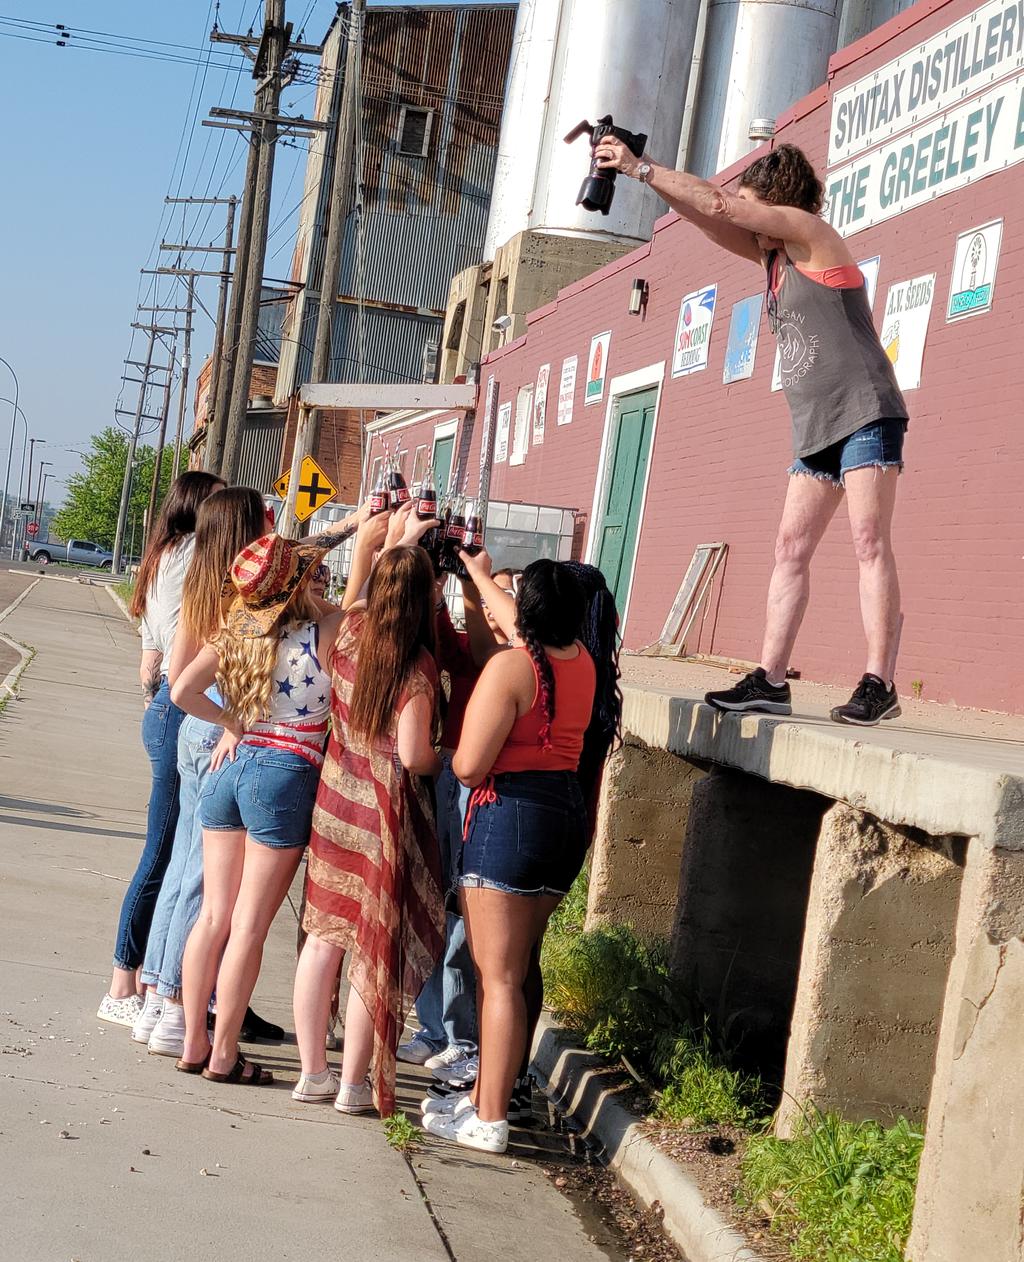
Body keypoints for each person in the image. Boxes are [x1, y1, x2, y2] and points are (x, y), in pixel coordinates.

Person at [593, 138, 908, 726]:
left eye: (749, 200)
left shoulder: (809, 232)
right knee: (790, 548)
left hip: (867, 409)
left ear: (777, 204)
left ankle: (880, 683)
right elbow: (706, 216)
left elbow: (719, 207)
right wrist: (651, 183)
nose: (739, 207)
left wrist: (640, 166)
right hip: (816, 425)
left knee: (868, 540)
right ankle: (770, 680)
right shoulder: (772, 258)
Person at [170, 512, 361, 1085]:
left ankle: (193, 1039)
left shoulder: (237, 631)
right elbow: (361, 615)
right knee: (250, 928)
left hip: (231, 766)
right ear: (299, 584)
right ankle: (225, 1053)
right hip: (285, 771)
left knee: (213, 915)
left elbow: (180, 690)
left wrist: (231, 721)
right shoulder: (324, 632)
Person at [423, 560, 595, 1154]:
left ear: (528, 612)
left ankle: (490, 1116)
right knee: (515, 974)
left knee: (497, 980)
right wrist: (476, 573)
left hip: (509, 816)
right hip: (563, 816)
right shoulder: (581, 662)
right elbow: (516, 623)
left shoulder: (510, 668)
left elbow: (468, 765)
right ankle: (488, 1099)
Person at [293, 542, 445, 1117]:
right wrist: (446, 756)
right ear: (424, 599)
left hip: (335, 803)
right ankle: (353, 1086)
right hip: (383, 815)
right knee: (371, 951)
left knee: (323, 940)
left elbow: (345, 607)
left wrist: (380, 540)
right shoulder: (417, 666)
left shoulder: (346, 632)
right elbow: (412, 755)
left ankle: (312, 1073)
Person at [132, 487, 273, 1055]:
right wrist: (232, 718)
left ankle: (154, 1001)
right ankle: (171, 1007)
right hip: (216, 732)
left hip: (194, 730)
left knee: (182, 872)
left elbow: (173, 674)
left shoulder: (198, 585)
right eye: (262, 518)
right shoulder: (239, 591)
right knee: (201, 882)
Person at [97, 470, 224, 1026]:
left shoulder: (161, 556)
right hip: (182, 708)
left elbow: (148, 658)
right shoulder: (198, 552)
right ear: (200, 508)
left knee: (168, 851)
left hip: (161, 708)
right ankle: (125, 984)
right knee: (167, 854)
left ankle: (144, 981)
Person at [398, 567, 521, 1092]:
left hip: (483, 780)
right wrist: (433, 573)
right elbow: (435, 629)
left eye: (504, 594)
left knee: (466, 914)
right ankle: (434, 1024)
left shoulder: (516, 659)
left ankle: (462, 1036)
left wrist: (476, 581)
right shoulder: (470, 643)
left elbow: (486, 649)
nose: (493, 603)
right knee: (440, 897)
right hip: (449, 770)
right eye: (490, 592)